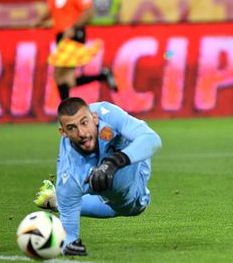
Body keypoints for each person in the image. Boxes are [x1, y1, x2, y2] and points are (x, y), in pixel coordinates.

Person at [33, 97, 162, 256]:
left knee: (130, 199)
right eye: (72, 128)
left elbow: (152, 139)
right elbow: (70, 235)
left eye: (84, 123)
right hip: (115, 184)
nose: (81, 133)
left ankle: (56, 201)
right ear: (63, 132)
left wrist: (114, 162)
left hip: (133, 153)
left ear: (94, 117)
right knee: (132, 206)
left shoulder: (107, 114)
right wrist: (68, 244)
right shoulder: (68, 171)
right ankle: (56, 201)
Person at [34, 0, 118, 100]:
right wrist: (40, 21)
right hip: (60, 35)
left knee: (59, 74)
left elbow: (89, 11)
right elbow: (53, 9)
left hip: (73, 34)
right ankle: (103, 75)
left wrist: (73, 27)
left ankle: (65, 113)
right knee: (68, 80)